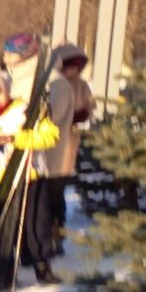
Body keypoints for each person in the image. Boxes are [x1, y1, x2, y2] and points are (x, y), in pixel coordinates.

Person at [0, 62, 60, 290]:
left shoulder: (24, 111)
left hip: (28, 175)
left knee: (36, 222)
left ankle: (41, 264)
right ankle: (2, 268)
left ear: (6, 89)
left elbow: (51, 135)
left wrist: (22, 139)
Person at [40, 45, 92, 257]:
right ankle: (46, 233)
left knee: (56, 190)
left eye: (76, 68)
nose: (73, 72)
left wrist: (77, 114)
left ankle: (57, 233)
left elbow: (87, 109)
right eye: (69, 67)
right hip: (47, 142)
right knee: (46, 191)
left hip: (67, 140)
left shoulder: (81, 86)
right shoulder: (52, 84)